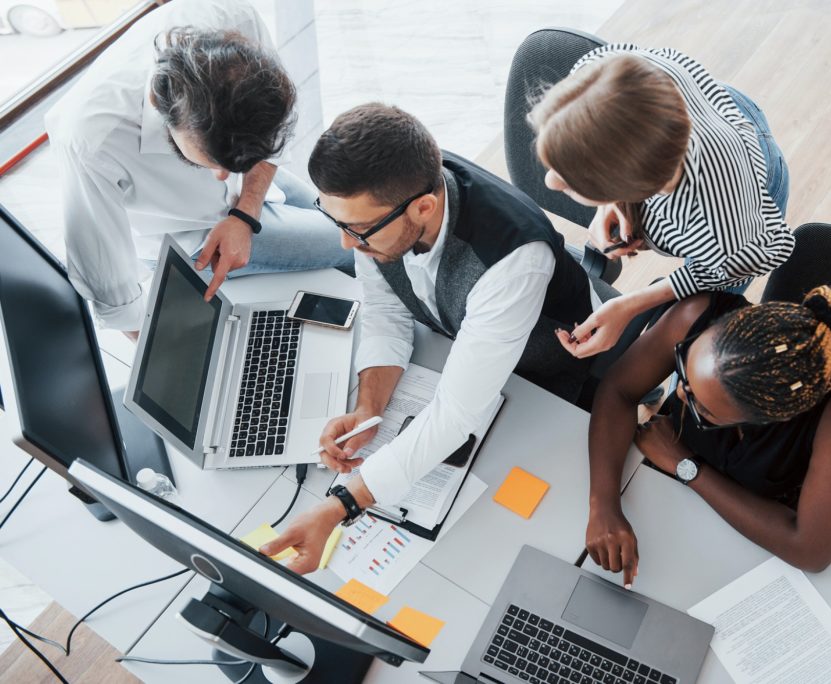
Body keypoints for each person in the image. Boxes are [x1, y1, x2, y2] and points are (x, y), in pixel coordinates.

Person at [261, 103, 601, 573]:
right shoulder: (389, 203)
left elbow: (458, 413)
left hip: (550, 372)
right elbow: (384, 308)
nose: (346, 245)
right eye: (337, 222)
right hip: (461, 344)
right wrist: (369, 409)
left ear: (424, 207)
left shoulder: (512, 257)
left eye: (358, 231)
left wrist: (339, 505)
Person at [45, 0, 353, 337]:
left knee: (359, 224)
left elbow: (274, 126)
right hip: (191, 236)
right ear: (156, 104)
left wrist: (246, 213)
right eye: (207, 161)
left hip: (257, 191)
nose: (223, 175)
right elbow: (108, 286)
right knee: (357, 240)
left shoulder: (233, 19)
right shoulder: (90, 141)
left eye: (231, 164)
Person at [585, 286, 831, 584]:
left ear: (770, 418)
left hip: (755, 531)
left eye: (704, 409)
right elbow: (619, 389)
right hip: (664, 494)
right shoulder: (698, 312)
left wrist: (687, 466)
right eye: (685, 373)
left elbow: (810, 552)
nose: (681, 397)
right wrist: (603, 505)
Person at [529, 44, 794, 358]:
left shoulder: (723, 230)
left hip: (744, 195)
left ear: (635, 184)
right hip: (712, 111)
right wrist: (610, 203)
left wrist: (631, 304)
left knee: (702, 318)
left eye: (571, 179)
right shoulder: (602, 70)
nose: (550, 181)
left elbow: (725, 268)